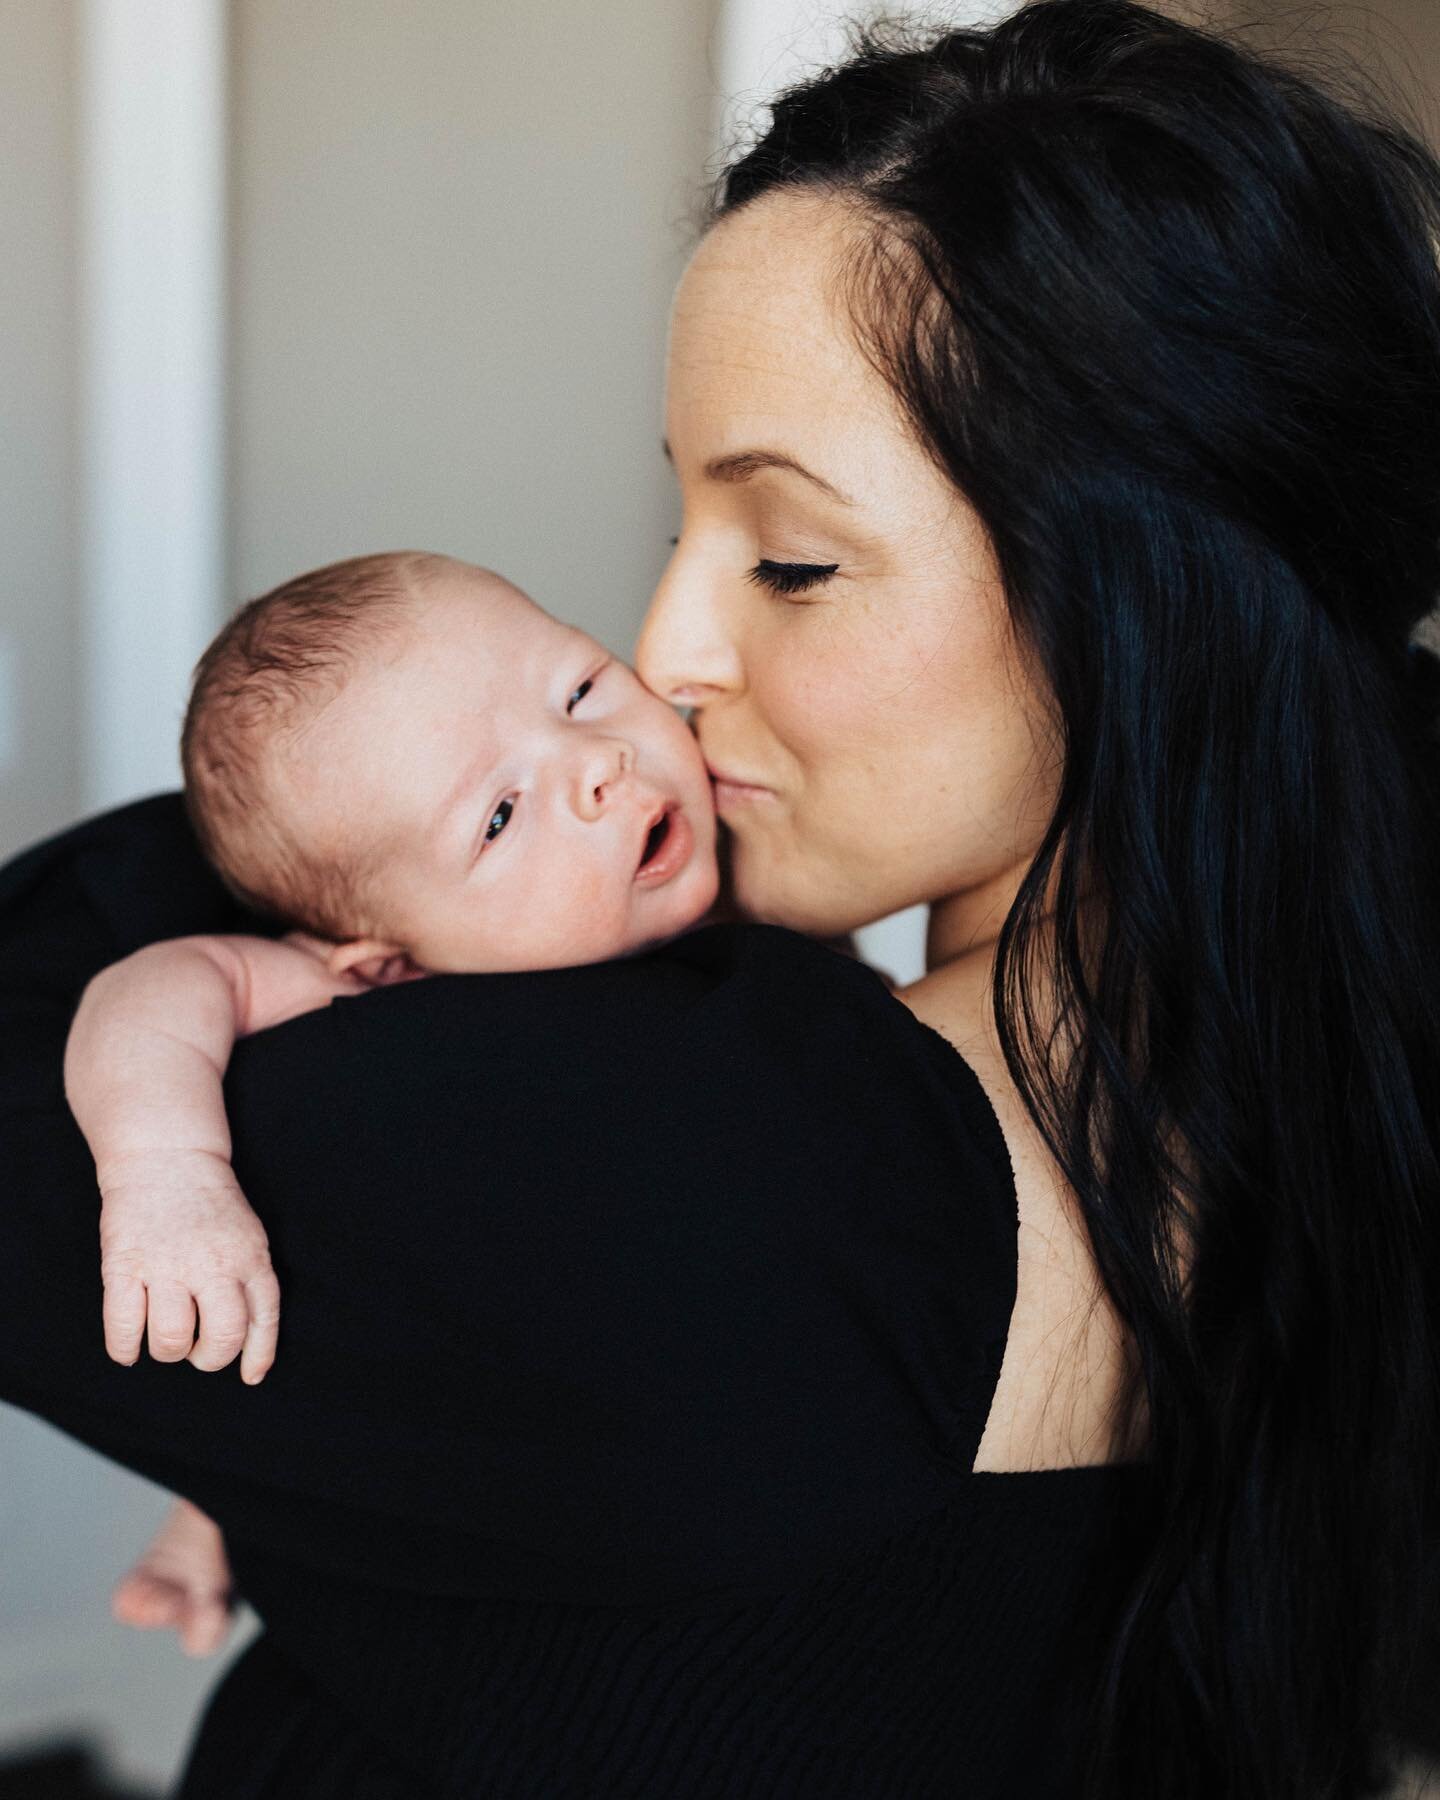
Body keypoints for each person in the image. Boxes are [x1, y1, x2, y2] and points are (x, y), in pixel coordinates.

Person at [2, 2, 1438, 1794]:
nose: (663, 652)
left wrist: (340, 868)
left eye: (791, 558)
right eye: (679, 525)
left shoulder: (740, 1173)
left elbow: (38, 985)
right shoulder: (1316, 1088)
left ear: (1147, 604)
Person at [63, 550, 722, 1387]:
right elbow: (141, 996)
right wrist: (166, 1174)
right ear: (388, 960)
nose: (598, 761)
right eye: (499, 817)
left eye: (581, 691)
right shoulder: (378, 993)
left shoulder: (764, 879)